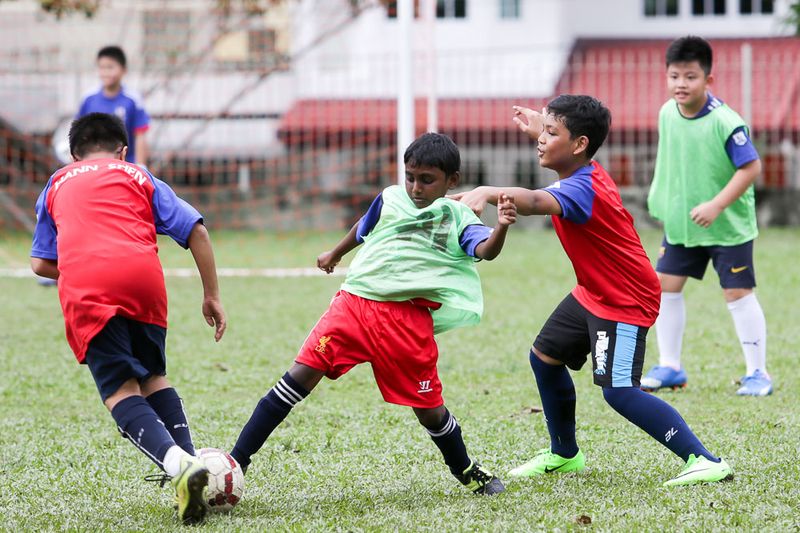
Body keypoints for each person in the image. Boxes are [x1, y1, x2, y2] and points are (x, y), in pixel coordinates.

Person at [452, 95, 732, 486]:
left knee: (619, 392)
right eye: (544, 131)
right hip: (592, 292)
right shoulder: (579, 170)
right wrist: (543, 126)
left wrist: (487, 190)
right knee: (544, 357)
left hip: (625, 298)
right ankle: (564, 454)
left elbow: (534, 200)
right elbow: (558, 155)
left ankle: (704, 459)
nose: (541, 139)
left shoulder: (582, 188)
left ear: (580, 144)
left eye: (552, 133)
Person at [230, 132, 516, 496]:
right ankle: (236, 461)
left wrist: (501, 226)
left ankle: (464, 468)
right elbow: (364, 226)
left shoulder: (458, 216)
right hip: (355, 305)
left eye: (427, 180)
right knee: (299, 376)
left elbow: (485, 250)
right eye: (410, 177)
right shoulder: (391, 198)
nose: (416, 187)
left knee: (429, 410)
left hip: (407, 321)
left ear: (452, 181)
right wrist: (335, 253)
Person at [30, 113, 226, 524]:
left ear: (73, 154)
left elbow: (40, 263)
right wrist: (211, 295)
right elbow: (198, 231)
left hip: (90, 289)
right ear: (122, 151)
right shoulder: (139, 175)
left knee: (120, 390)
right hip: (144, 281)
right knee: (153, 376)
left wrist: (85, 266)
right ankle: (190, 461)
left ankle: (179, 466)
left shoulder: (57, 182)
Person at [641, 36, 770, 396]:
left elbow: (751, 167)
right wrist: (662, 202)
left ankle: (758, 373)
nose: (680, 84)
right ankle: (670, 367)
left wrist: (716, 205)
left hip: (728, 227)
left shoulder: (726, 122)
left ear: (708, 80)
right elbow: (672, 163)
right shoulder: (667, 113)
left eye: (690, 77)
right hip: (683, 225)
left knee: (737, 292)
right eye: (674, 76)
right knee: (665, 286)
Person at [77, 45, 150, 166]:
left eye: (110, 67)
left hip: (126, 165)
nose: (105, 72)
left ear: (124, 70)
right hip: (93, 165)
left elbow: (140, 135)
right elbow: (79, 134)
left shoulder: (133, 100)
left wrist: (141, 166)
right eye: (102, 67)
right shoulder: (88, 99)